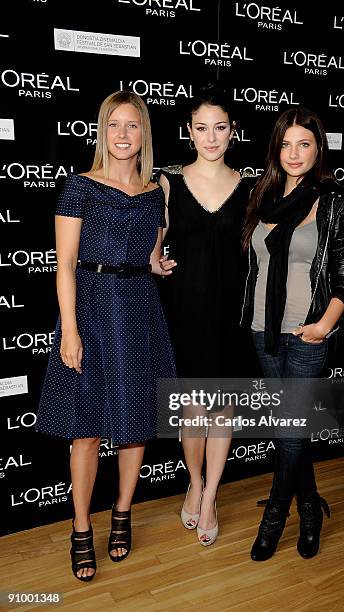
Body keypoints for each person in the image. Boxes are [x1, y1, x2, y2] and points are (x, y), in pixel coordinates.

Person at [36, 90, 175, 581]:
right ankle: (80, 528)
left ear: (144, 134)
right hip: (92, 310)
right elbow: (65, 266)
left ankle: (122, 512)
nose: (122, 134)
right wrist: (69, 331)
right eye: (114, 124)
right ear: (102, 130)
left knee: (137, 425)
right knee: (87, 429)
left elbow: (152, 254)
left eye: (132, 125)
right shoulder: (80, 187)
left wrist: (158, 264)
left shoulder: (159, 191)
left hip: (139, 308)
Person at [240, 107, 344, 561]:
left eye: (303, 143)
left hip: (307, 333)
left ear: (318, 149)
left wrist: (326, 324)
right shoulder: (261, 195)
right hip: (262, 331)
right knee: (292, 430)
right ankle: (309, 507)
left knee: (289, 430)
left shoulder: (331, 202)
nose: (294, 153)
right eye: (285, 143)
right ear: (276, 149)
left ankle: (274, 518)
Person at [158, 84, 255, 546]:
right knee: (192, 413)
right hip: (184, 314)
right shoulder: (168, 182)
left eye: (220, 127)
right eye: (202, 128)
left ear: (233, 131)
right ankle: (194, 482)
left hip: (232, 315)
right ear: (189, 131)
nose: (211, 137)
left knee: (222, 411)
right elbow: (154, 247)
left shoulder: (252, 189)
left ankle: (211, 494)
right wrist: (154, 259)